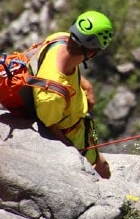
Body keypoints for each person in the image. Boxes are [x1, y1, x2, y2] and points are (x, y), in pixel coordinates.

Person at [33, 10, 114, 179]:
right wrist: (71, 151)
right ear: (92, 53)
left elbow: (69, 68)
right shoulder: (52, 95)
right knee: (103, 172)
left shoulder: (58, 39)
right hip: (71, 133)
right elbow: (50, 124)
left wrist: (87, 86)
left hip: (75, 118)